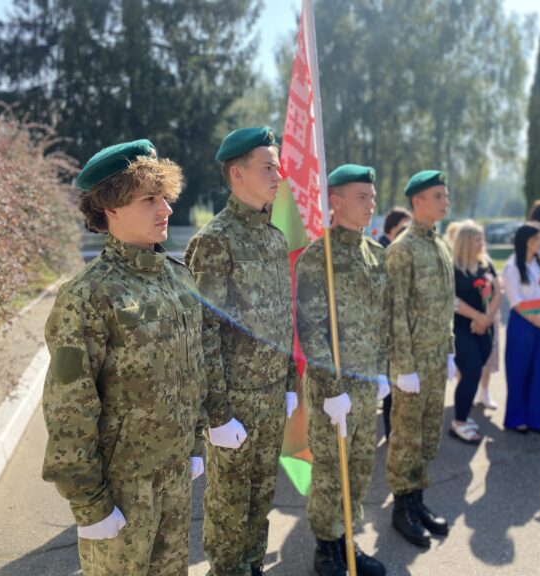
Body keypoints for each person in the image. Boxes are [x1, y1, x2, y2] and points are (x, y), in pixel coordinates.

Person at [41, 140, 206, 574]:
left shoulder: (179, 280)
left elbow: (193, 371)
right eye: (149, 199)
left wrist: (194, 443)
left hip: (173, 477)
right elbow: (68, 408)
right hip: (121, 489)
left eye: (165, 197)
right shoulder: (88, 295)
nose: (166, 209)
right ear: (112, 207)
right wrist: (90, 503)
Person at [185, 126, 297, 576]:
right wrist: (216, 414)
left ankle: (251, 566)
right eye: (268, 166)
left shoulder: (272, 238)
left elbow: (281, 321)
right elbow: (204, 333)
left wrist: (288, 382)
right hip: (235, 405)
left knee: (261, 500)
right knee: (229, 510)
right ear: (237, 173)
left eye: (278, 165)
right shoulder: (215, 241)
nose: (278, 174)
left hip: (271, 397)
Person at [296, 164, 388, 576]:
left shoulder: (376, 254)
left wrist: (383, 370)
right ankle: (327, 545)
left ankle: (348, 538)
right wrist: (331, 387)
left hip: (367, 384)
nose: (372, 204)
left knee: (362, 465)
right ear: (335, 202)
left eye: (373, 196)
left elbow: (380, 319)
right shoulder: (320, 257)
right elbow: (310, 326)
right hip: (332, 390)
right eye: (362, 197)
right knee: (332, 469)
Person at [385, 170, 454, 549]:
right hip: (411, 364)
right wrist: (403, 367)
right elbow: (394, 311)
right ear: (418, 202)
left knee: (428, 436)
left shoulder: (441, 244)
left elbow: (446, 304)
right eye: (438, 196)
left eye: (446, 195)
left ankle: (418, 500)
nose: (446, 202)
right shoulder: (403, 248)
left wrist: (450, 351)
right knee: (406, 437)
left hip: (435, 358)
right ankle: (401, 507)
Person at [501, 221, 540, 433]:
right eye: (535, 238)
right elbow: (515, 301)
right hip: (523, 324)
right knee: (519, 370)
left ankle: (535, 419)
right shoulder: (512, 267)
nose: (539, 243)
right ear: (523, 240)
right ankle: (516, 418)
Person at [450, 220, 501, 443]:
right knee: (469, 371)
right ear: (464, 242)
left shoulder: (486, 264)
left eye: (482, 238)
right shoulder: (453, 267)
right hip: (462, 328)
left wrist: (486, 317)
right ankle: (459, 421)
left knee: (477, 370)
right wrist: (476, 317)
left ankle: (465, 415)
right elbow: (452, 300)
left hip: (484, 328)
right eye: (476, 239)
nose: (481, 243)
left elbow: (498, 291)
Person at [378, 206, 411, 441]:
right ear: (390, 230)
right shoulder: (380, 251)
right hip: (385, 329)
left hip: (403, 326)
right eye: (402, 229)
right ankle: (391, 433)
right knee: (390, 383)